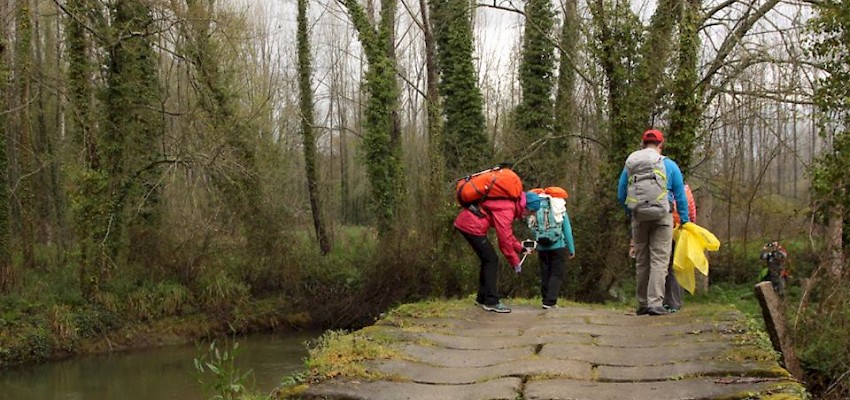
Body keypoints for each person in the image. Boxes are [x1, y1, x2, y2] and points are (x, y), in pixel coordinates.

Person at [618, 129, 690, 316]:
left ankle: (642, 303)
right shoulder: (669, 165)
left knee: (642, 260)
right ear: (661, 145)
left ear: (643, 144)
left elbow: (621, 193)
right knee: (659, 259)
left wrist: (631, 211)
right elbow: (681, 195)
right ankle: (655, 303)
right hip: (662, 216)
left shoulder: (632, 165)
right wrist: (684, 220)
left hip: (639, 216)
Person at [455, 191, 542, 313]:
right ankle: (491, 301)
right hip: (472, 226)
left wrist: (520, 249)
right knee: (491, 260)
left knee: (488, 259)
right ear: (526, 207)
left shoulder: (508, 205)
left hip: (468, 223)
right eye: (531, 212)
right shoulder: (508, 209)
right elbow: (504, 240)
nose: (529, 215)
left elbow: (507, 234)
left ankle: (482, 298)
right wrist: (515, 261)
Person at [527, 189, 576, 309]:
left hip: (542, 247)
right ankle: (550, 301)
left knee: (545, 273)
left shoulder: (535, 208)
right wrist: (571, 248)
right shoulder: (559, 208)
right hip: (557, 246)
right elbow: (567, 229)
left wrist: (536, 243)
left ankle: (545, 299)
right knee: (556, 274)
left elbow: (532, 228)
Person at [664, 183, 697, 313]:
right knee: (677, 267)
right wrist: (691, 225)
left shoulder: (662, 188)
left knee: (662, 265)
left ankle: (663, 301)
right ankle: (675, 302)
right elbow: (692, 211)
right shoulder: (686, 189)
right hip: (681, 232)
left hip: (664, 229)